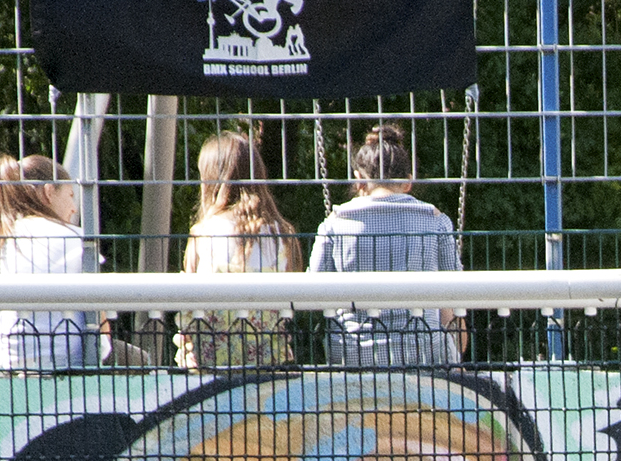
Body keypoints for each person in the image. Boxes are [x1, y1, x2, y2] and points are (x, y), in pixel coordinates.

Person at [307, 123, 465, 368]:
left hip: (353, 356)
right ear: (408, 182)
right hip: (423, 354)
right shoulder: (436, 221)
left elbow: (311, 292)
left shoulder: (335, 223)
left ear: (359, 180)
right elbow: (453, 303)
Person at [178, 130, 301, 370]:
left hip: (211, 367)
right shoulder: (281, 235)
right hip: (269, 365)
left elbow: (187, 304)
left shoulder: (203, 234)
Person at [0, 154, 98, 371]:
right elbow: (100, 316)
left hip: (11, 365)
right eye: (70, 195)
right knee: (139, 360)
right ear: (49, 192)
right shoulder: (74, 238)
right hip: (68, 364)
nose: (73, 207)